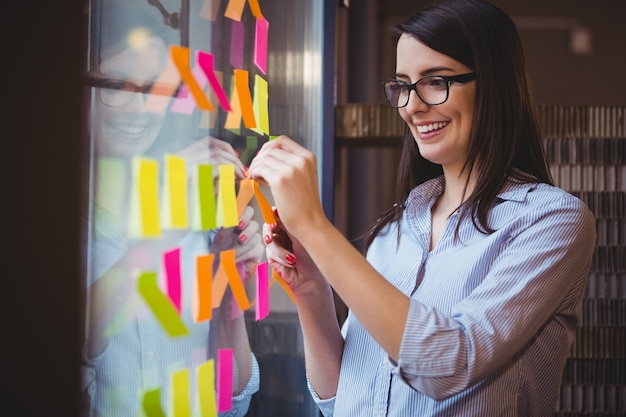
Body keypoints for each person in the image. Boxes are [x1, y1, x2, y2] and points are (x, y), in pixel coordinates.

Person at [248, 0, 596, 415]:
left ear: (494, 85)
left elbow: (449, 365)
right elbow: (342, 400)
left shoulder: (552, 221)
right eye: (402, 86)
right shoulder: (394, 232)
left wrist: (314, 227)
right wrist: (311, 293)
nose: (412, 106)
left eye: (435, 82)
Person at [81, 1, 261, 416]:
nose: (140, 109)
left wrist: (228, 288)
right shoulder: (43, 213)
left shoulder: (199, 208)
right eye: (116, 86)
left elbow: (231, 396)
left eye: (154, 90)